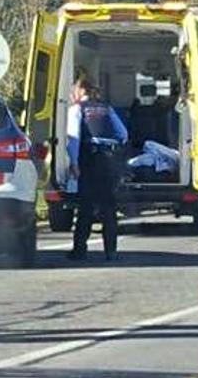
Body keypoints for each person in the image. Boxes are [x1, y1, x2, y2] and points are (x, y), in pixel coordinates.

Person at [66, 78, 128, 261]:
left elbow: (74, 138)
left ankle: (79, 250)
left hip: (89, 159)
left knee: (86, 207)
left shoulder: (77, 110)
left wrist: (74, 163)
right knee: (108, 207)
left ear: (80, 91)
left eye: (73, 90)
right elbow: (123, 134)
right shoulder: (106, 109)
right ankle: (111, 251)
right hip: (108, 160)